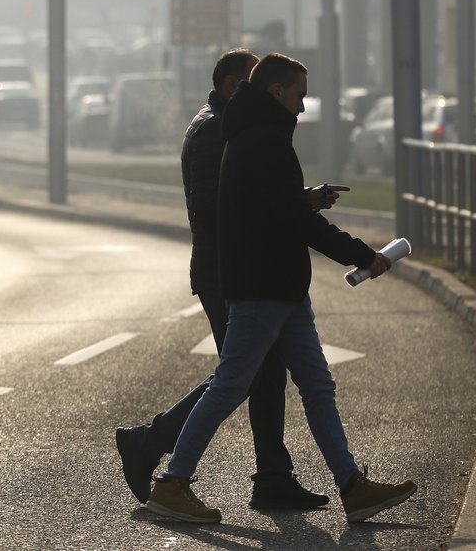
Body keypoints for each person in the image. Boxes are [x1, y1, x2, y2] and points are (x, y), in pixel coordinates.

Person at [145, 53, 415, 525]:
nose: (304, 107)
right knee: (231, 385)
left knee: (316, 385)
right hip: (261, 286)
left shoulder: (256, 135)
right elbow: (292, 220)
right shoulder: (262, 140)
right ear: (276, 92)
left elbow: (277, 207)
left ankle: (353, 487)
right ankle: (172, 483)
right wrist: (363, 255)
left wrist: (305, 203)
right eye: (299, 95)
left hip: (282, 287)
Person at [116, 49, 346, 512]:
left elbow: (257, 197)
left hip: (242, 269)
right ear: (229, 86)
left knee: (261, 374)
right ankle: (153, 444)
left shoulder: (233, 127)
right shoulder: (214, 131)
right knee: (241, 377)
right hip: (229, 273)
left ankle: (273, 476)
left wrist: (298, 199)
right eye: (248, 82)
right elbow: (229, 206)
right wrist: (295, 208)